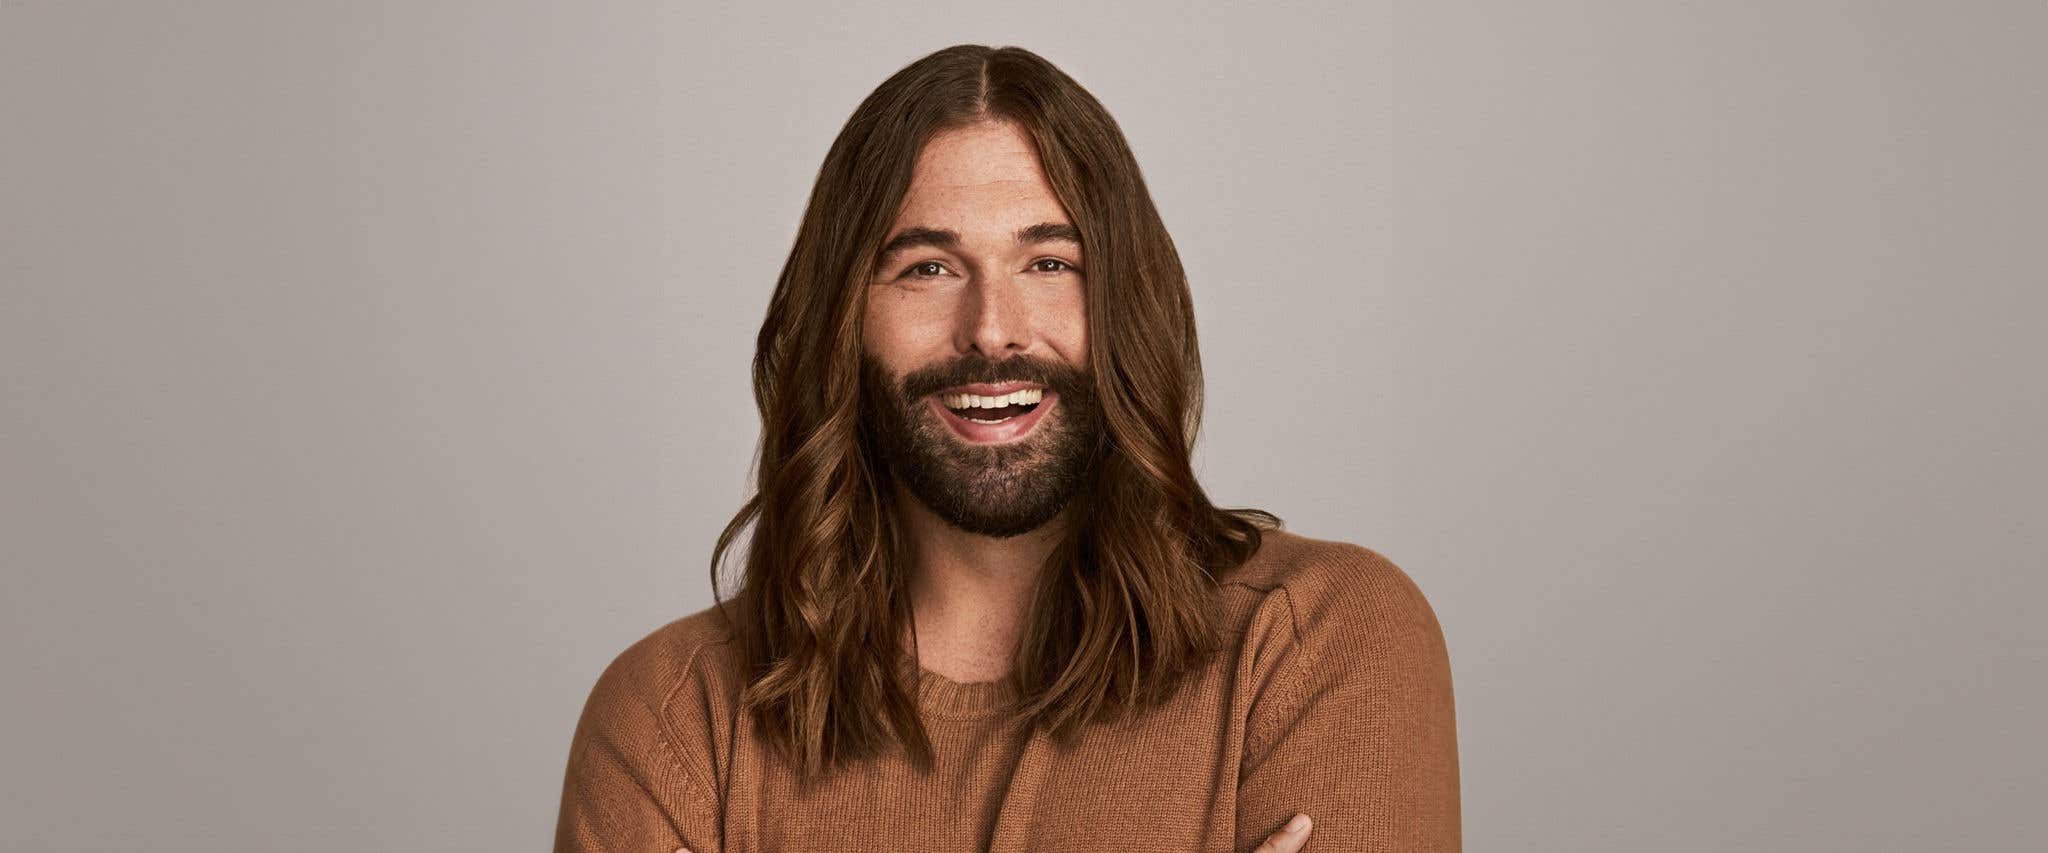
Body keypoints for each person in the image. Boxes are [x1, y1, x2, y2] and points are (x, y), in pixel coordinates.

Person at [553, 43, 1459, 852]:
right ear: (844, 321)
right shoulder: (673, 720)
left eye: (1051, 263)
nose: (993, 330)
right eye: (928, 268)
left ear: (1124, 307)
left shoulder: (1316, 642)